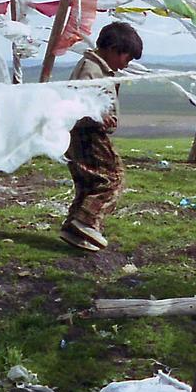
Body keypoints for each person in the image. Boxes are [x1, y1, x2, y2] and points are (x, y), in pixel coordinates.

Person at [59, 22, 143, 252]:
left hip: (81, 133)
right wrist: (98, 117)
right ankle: (85, 221)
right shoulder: (91, 70)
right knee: (112, 179)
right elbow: (81, 102)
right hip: (88, 134)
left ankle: (73, 229)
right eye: (127, 57)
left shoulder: (98, 68)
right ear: (114, 48)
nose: (127, 64)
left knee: (89, 183)